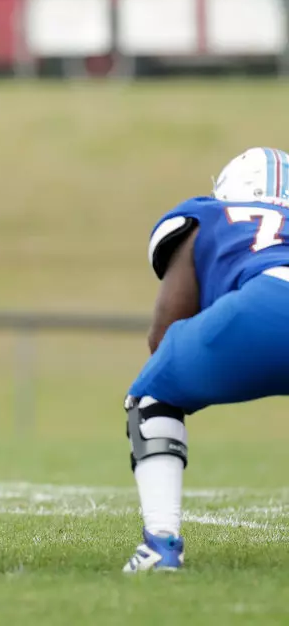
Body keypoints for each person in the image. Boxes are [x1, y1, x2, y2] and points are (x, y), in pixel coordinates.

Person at [123, 147, 289, 573]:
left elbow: (163, 335)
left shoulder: (207, 214)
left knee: (153, 395)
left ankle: (160, 545)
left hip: (265, 304)